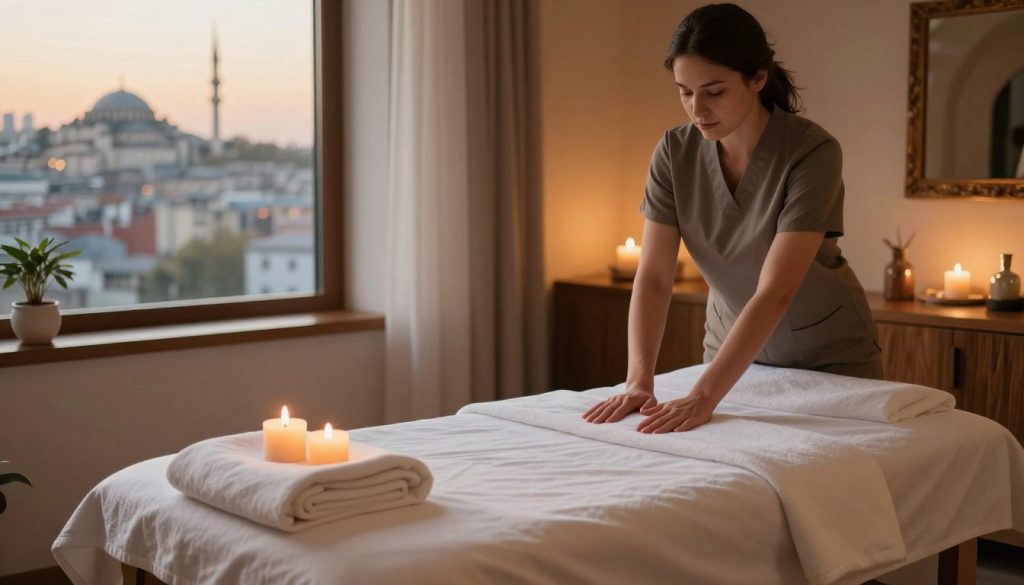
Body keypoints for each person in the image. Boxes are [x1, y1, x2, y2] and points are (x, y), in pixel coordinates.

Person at [583, 3, 881, 434]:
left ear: (758, 78)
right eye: (684, 91)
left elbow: (776, 290)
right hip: (732, 358)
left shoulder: (812, 152)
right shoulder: (673, 152)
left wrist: (703, 396)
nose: (697, 108)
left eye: (714, 91)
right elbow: (653, 277)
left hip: (828, 359)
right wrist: (638, 381)